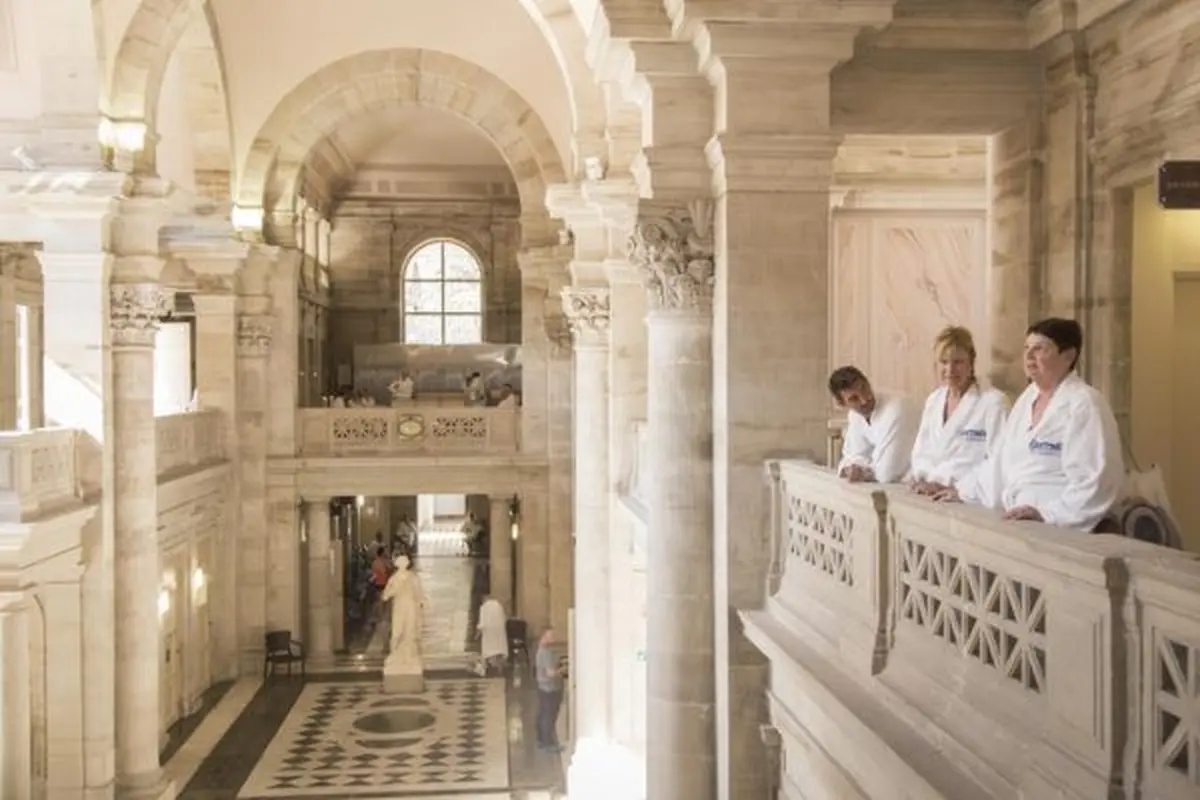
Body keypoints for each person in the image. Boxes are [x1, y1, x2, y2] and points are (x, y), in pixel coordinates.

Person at [935, 318, 1125, 531]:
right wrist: (962, 490)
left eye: (1039, 349)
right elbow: (1001, 461)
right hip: (1020, 519)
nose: (1029, 356)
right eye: (1026, 348)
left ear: (1068, 355)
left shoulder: (1085, 404)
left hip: (1062, 527)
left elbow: (1095, 481)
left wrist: (1046, 513)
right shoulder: (1027, 400)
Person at [908, 326, 1009, 496]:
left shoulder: (993, 402)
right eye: (944, 362)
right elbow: (921, 450)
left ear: (971, 363)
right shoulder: (934, 400)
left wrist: (961, 490)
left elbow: (998, 461)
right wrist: (922, 476)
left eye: (958, 362)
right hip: (928, 491)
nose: (950, 370)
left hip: (970, 496)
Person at [830, 366, 920, 484]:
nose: (864, 400)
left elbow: (888, 472)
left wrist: (863, 469)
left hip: (921, 483)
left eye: (864, 389)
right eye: (854, 398)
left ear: (868, 382)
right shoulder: (855, 416)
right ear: (841, 403)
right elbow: (851, 457)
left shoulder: (897, 409)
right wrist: (853, 469)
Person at [534, 627, 567, 752]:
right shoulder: (545, 653)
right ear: (543, 637)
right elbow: (550, 673)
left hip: (543, 687)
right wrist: (562, 670)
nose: (552, 639)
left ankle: (541, 740)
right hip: (550, 688)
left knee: (543, 713)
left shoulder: (541, 651)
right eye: (550, 636)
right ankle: (548, 743)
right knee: (549, 715)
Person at [476, 596, 508, 676]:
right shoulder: (498, 605)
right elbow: (504, 618)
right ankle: (500, 670)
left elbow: (482, 623)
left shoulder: (484, 607)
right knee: (499, 649)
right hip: (499, 631)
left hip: (488, 632)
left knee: (489, 650)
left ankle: (488, 670)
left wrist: (477, 633)